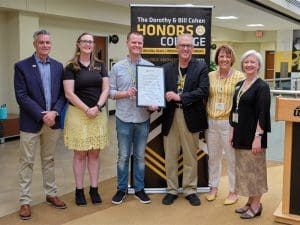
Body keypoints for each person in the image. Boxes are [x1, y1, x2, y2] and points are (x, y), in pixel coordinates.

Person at [14, 29, 67, 220]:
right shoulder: (22, 66)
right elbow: (21, 96)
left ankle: (51, 194)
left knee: (49, 160)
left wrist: (54, 112)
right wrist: (41, 114)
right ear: (35, 44)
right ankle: (25, 201)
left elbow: (63, 94)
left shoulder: (59, 67)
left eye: (48, 42)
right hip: (31, 122)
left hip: (53, 121)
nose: (45, 45)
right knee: (26, 162)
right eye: (42, 42)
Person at [109, 31, 158, 205]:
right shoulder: (117, 68)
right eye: (134, 42)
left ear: (142, 45)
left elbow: (154, 94)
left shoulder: (150, 68)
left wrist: (154, 105)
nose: (137, 45)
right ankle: (121, 189)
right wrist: (125, 93)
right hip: (123, 118)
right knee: (123, 156)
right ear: (127, 43)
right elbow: (110, 92)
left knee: (139, 156)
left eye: (140, 43)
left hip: (142, 119)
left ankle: (139, 189)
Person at [161, 33, 209, 206]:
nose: (185, 49)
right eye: (182, 45)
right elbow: (160, 92)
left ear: (193, 49)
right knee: (170, 155)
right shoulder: (166, 68)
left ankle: (190, 189)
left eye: (188, 46)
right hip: (170, 116)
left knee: (190, 156)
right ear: (177, 48)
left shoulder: (201, 67)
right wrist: (153, 102)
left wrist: (180, 96)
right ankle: (172, 190)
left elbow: (203, 91)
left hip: (191, 116)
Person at [63, 32, 109, 206]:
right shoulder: (70, 67)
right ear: (78, 44)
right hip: (78, 115)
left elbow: (105, 89)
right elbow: (69, 93)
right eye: (84, 41)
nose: (88, 44)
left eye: (90, 42)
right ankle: (79, 190)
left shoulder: (100, 65)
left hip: (98, 114)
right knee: (80, 153)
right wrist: (86, 109)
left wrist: (96, 107)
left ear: (93, 45)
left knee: (95, 153)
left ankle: (94, 189)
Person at [229, 50, 271, 219]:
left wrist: (258, 137)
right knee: (245, 171)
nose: (249, 65)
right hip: (240, 135)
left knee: (256, 172)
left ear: (259, 65)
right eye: (246, 62)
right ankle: (249, 202)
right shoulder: (240, 84)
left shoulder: (262, 86)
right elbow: (234, 110)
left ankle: (256, 205)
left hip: (254, 137)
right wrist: (232, 132)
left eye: (253, 62)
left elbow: (263, 114)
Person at [205, 45, 244, 205]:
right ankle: (213, 187)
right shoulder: (210, 76)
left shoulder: (240, 76)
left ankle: (233, 191)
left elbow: (243, 102)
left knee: (232, 158)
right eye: (221, 56)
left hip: (229, 124)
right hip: (211, 122)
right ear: (217, 58)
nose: (224, 59)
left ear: (232, 59)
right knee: (213, 157)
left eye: (228, 56)